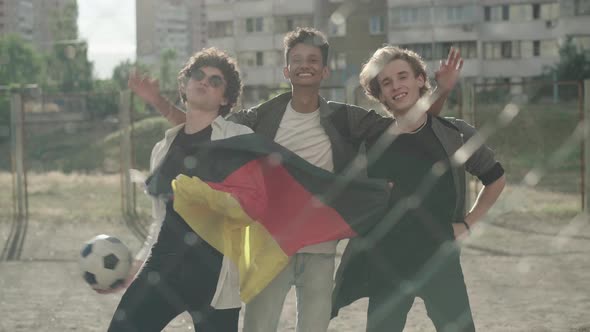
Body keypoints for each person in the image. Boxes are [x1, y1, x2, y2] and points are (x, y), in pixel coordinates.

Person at [129, 28, 462, 332]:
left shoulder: (346, 118)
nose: (305, 66)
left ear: (324, 71)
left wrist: (441, 91)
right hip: (269, 244)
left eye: (313, 60)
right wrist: (158, 101)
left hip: (320, 244)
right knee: (259, 326)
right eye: (297, 60)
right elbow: (204, 127)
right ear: (286, 70)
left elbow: (408, 126)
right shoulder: (259, 118)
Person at [331, 46, 506, 332]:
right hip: (387, 264)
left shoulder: (454, 134)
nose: (396, 86)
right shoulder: (371, 142)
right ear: (380, 93)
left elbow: (496, 179)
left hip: (439, 259)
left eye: (402, 76)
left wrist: (467, 224)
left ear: (421, 80)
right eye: (386, 82)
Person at [106, 47, 252, 332]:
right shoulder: (163, 149)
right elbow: (158, 220)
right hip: (164, 267)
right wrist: (137, 265)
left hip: (215, 273)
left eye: (215, 81)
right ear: (185, 84)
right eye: (199, 75)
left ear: (224, 98)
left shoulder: (237, 138)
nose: (204, 82)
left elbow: (249, 200)